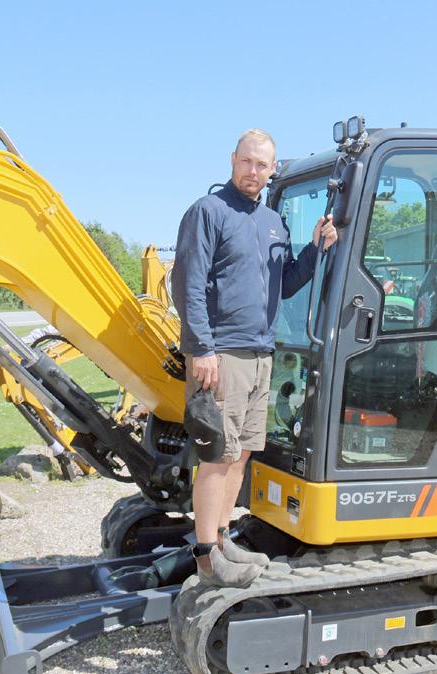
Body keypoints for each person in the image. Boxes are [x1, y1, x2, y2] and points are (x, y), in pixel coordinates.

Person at [172, 129, 337, 587]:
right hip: (222, 354)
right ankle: (207, 557)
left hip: (261, 354)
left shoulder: (273, 222)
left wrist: (316, 248)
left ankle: (222, 540)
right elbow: (187, 283)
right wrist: (201, 348)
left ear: (271, 170)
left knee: (240, 455)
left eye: (262, 165)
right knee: (216, 456)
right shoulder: (209, 212)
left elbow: (286, 284)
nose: (253, 171)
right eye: (247, 161)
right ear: (233, 159)